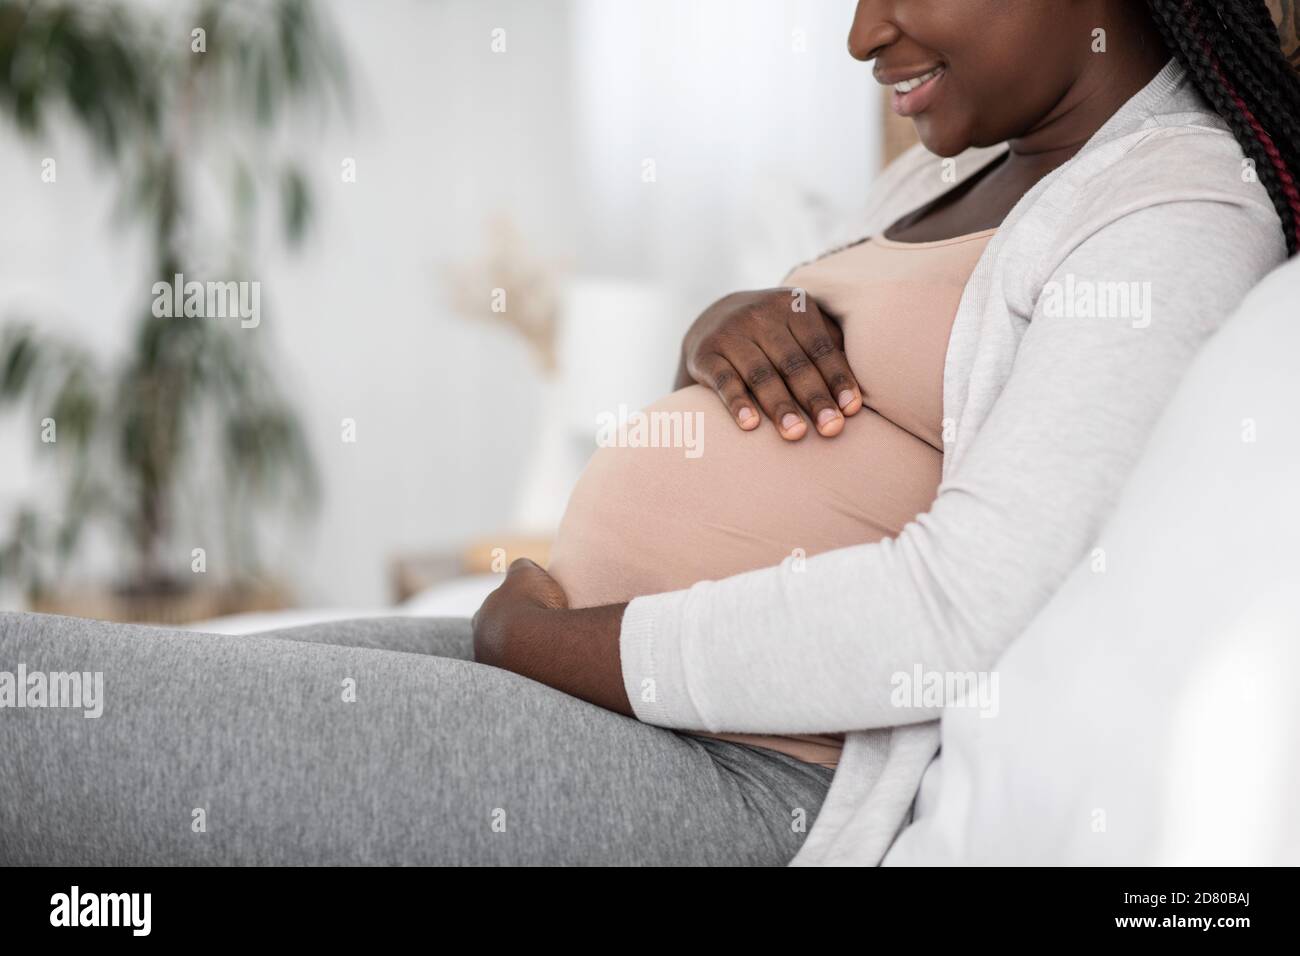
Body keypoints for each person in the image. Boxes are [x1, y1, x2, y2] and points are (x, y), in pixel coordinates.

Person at [2, 0, 1296, 865]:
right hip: (603, 687)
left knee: (42, 723)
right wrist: (726, 324)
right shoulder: (961, 165)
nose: (860, 32)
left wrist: (563, 641)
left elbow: (961, 615)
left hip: (744, 772)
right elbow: (851, 390)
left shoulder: (1170, 216)